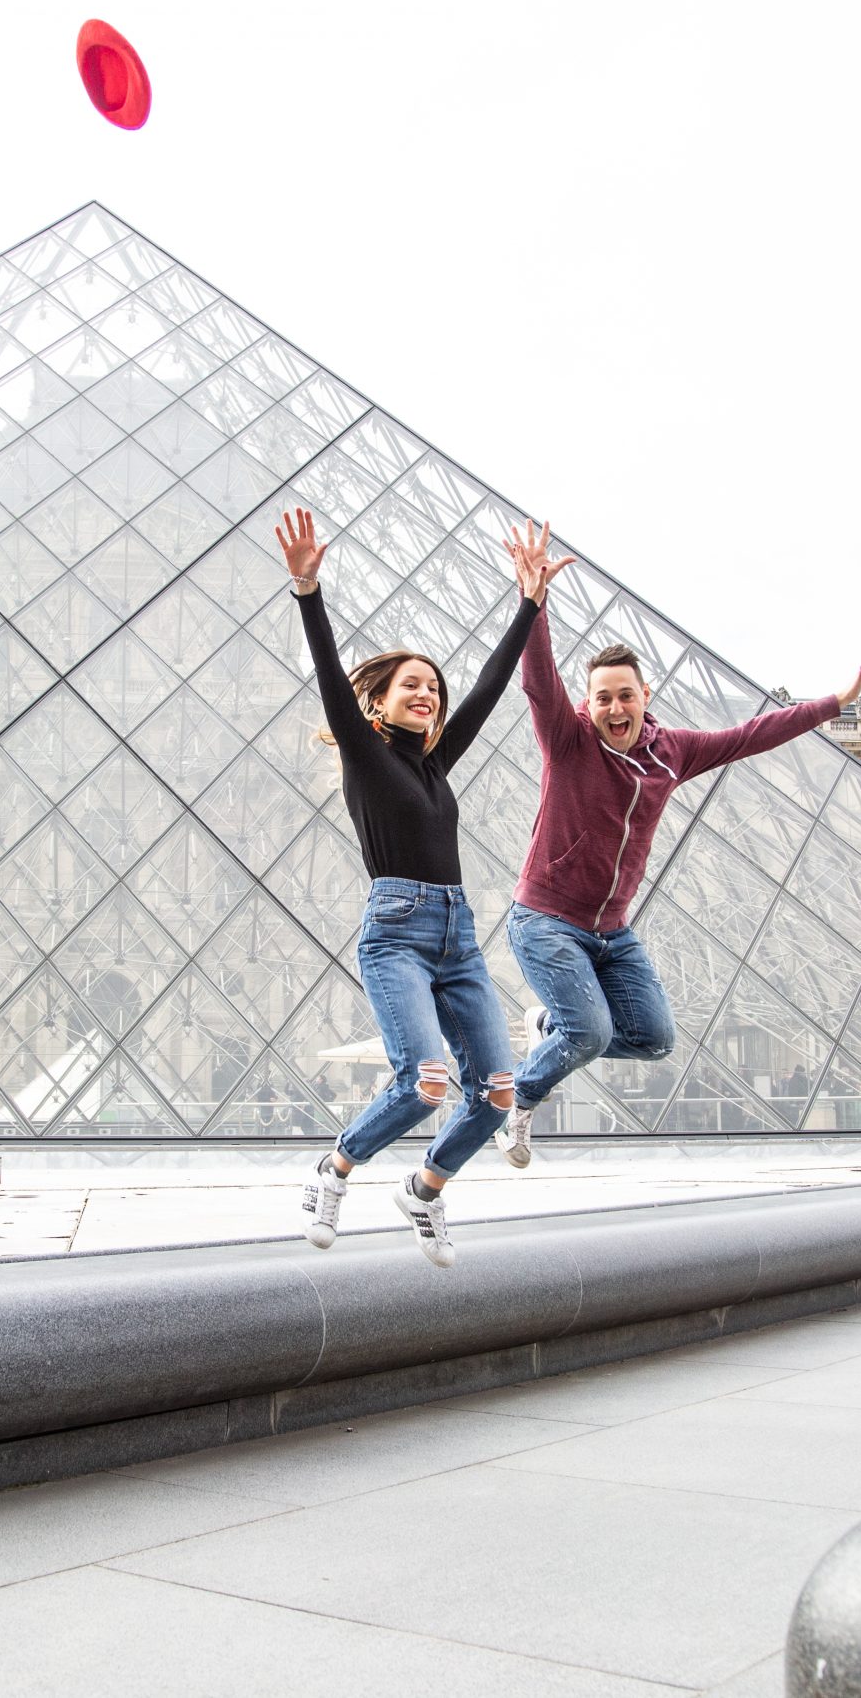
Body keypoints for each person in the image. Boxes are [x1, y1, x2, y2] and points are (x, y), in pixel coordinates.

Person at [490, 519, 861, 1164]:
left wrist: (833, 703)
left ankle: (550, 1028)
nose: (616, 708)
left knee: (652, 1039)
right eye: (603, 698)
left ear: (646, 696)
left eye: (626, 696)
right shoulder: (567, 739)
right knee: (589, 1034)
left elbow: (750, 736)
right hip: (546, 919)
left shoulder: (673, 752)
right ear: (587, 703)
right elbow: (537, 681)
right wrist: (534, 603)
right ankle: (522, 1100)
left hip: (612, 929)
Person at [279, 505, 541, 1268]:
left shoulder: (434, 763)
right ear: (378, 703)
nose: (428, 694)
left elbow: (489, 688)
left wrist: (529, 605)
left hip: (458, 938)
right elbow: (331, 675)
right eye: (411, 685)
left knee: (496, 1092)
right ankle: (334, 1169)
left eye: (433, 687)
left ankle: (425, 1188)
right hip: (396, 934)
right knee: (426, 1082)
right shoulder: (365, 754)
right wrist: (308, 592)